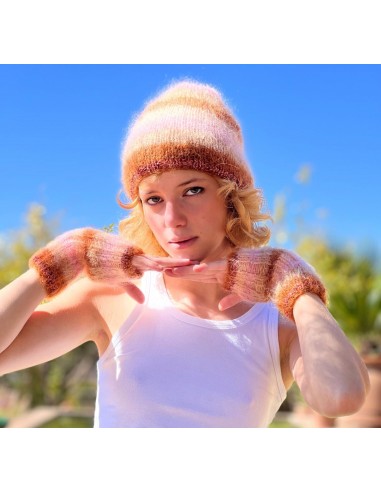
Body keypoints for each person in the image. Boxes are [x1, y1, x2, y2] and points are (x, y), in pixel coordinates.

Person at [0, 79, 370, 428]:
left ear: (230, 194)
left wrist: (295, 286)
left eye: (192, 190)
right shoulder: (113, 297)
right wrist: (59, 262)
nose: (172, 219)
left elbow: (341, 397)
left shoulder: (276, 321)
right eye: (154, 199)